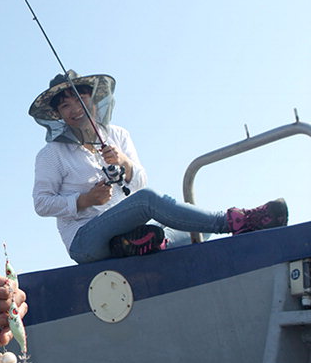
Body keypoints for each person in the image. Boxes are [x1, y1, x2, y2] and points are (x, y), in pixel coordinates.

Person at [30, 71, 288, 264]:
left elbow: (139, 181)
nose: (75, 109)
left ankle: (141, 244)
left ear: (94, 101)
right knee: (151, 201)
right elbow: (41, 203)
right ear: (58, 116)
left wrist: (124, 162)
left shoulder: (118, 135)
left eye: (80, 98)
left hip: (126, 231)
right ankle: (236, 221)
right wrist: (85, 200)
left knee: (199, 229)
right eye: (65, 105)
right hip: (85, 241)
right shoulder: (51, 153)